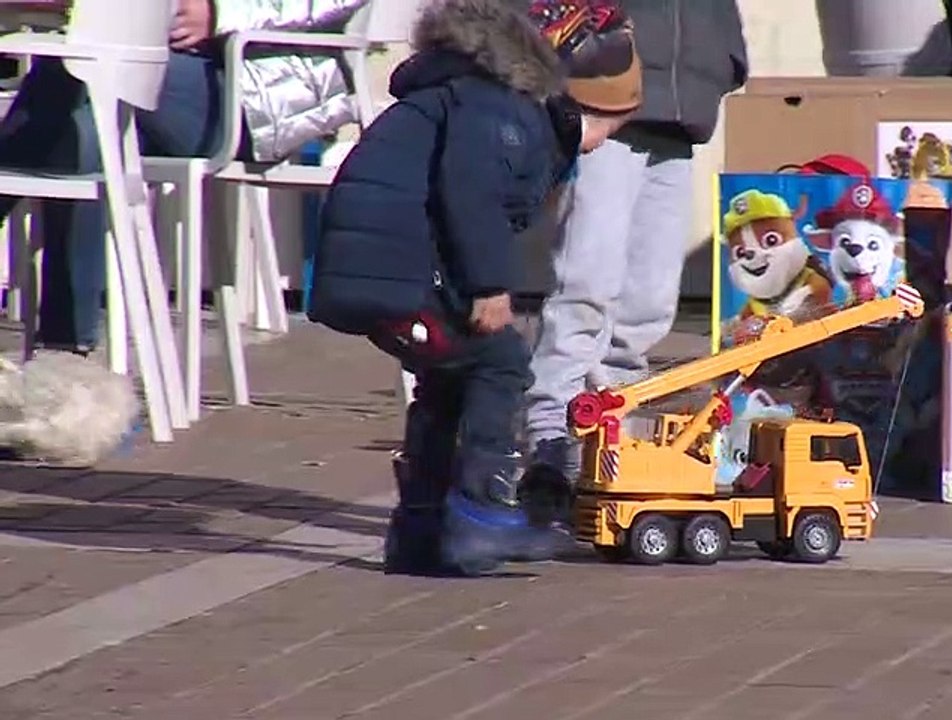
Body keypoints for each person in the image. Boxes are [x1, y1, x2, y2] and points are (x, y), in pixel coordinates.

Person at [307, 0, 642, 576]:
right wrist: (489, 287)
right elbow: (472, 196)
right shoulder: (499, 108)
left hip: (377, 265)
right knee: (500, 359)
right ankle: (483, 514)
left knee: (448, 375)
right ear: (568, 97)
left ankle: (421, 530)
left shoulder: (473, 95)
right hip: (394, 266)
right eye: (604, 127)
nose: (601, 143)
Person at [0, 0, 369, 356]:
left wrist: (218, 11)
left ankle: (66, 350)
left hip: (254, 99)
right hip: (160, 77)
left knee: (79, 62)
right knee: (84, 134)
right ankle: (66, 359)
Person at [522, 0, 749, 501]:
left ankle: (610, 430)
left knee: (650, 299)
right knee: (586, 281)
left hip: (680, 113)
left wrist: (722, 58)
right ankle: (549, 437)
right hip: (603, 100)